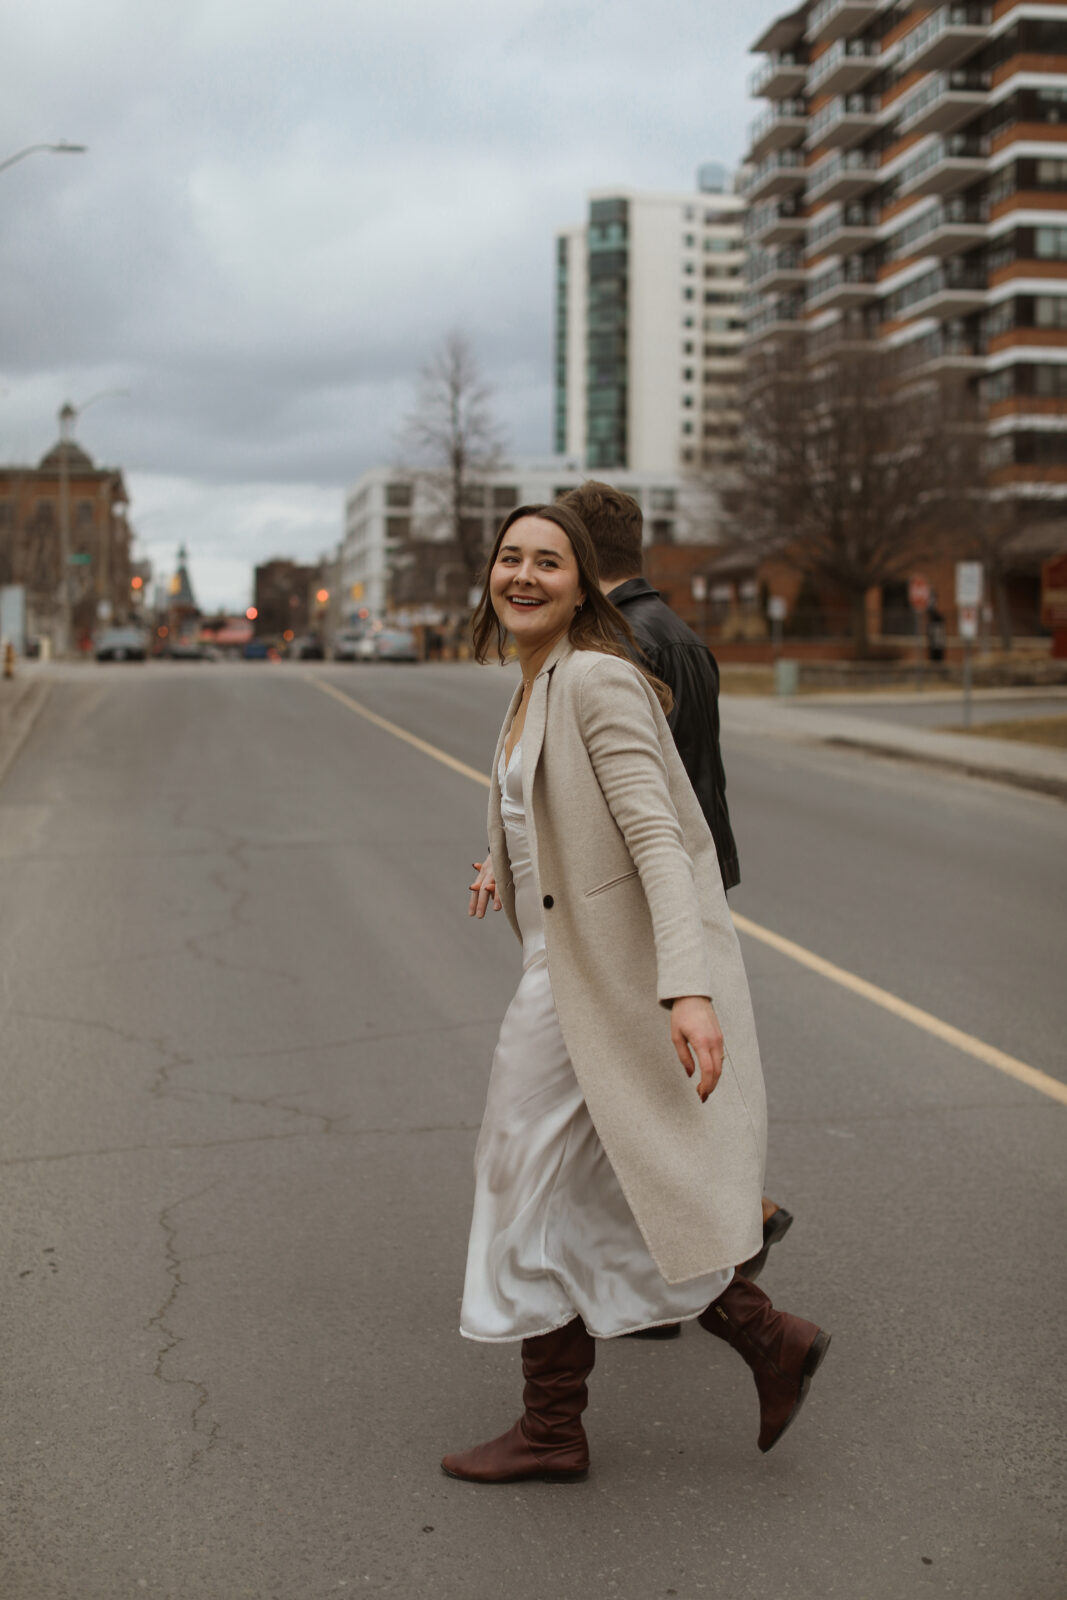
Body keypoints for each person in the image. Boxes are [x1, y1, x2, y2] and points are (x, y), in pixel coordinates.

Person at [443, 502, 829, 1486]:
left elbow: (659, 837)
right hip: (565, 963)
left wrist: (686, 990)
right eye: (509, 558)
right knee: (586, 1180)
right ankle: (756, 1339)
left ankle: (557, 1423)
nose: (522, 574)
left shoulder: (600, 678)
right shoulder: (538, 680)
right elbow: (551, 811)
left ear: (583, 583)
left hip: (598, 984)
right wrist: (503, 860)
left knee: (519, 1170)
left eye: (547, 561)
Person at [557, 480, 793, 1299]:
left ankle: (732, 1229)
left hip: (644, 891)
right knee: (657, 1078)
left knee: (639, 1084)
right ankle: (675, 1267)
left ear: (580, 555)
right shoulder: (678, 634)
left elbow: (640, 798)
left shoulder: (616, 644)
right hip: (689, 877)